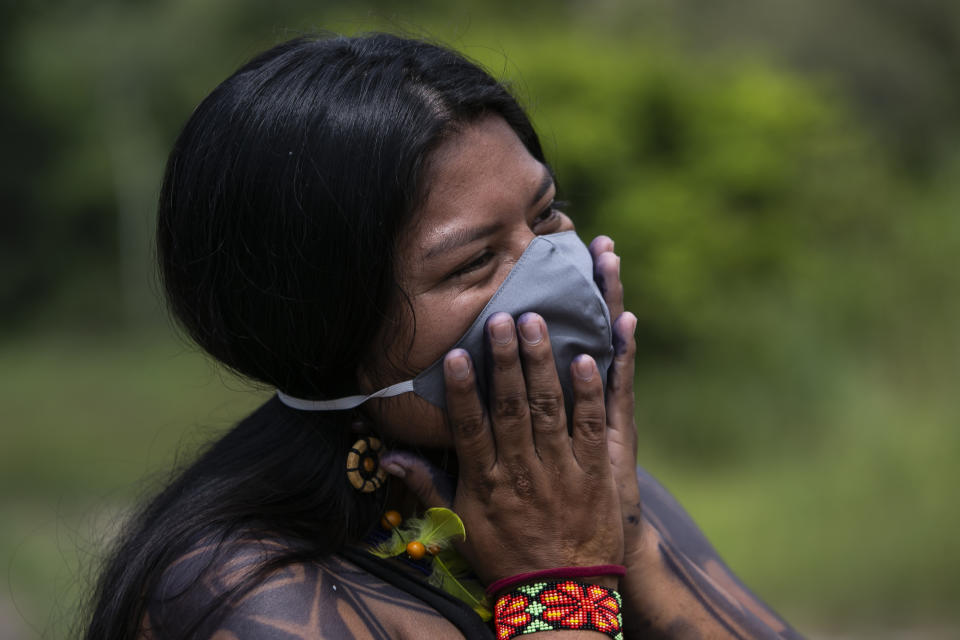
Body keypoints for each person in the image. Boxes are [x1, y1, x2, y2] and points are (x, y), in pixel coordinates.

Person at [82, 33, 803, 639]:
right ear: (327, 327)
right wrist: (560, 582)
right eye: (474, 261)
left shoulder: (575, 495)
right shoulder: (238, 595)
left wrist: (622, 533)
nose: (555, 272)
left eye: (548, 216)